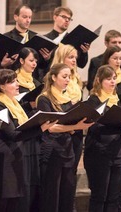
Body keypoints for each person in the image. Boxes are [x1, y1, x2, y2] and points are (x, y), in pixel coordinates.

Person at [0, 69, 54, 212]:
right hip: (2, 162)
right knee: (2, 205)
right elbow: (13, 134)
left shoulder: (15, 104)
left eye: (16, 80)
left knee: (14, 204)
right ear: (1, 86)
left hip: (14, 158)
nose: (17, 84)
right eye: (12, 82)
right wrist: (40, 128)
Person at [36, 63, 93, 212]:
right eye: (64, 76)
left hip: (67, 149)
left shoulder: (66, 97)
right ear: (53, 77)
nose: (68, 79)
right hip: (52, 150)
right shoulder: (44, 99)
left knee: (67, 193)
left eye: (69, 76)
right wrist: (75, 127)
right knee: (51, 195)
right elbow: (51, 128)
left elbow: (68, 121)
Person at [84, 65, 121, 212]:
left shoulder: (116, 100)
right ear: (99, 81)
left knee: (113, 197)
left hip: (117, 152)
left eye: (114, 78)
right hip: (98, 153)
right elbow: (94, 127)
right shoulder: (93, 100)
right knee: (99, 196)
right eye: (108, 79)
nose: (113, 82)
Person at [48, 44, 84, 210]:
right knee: (57, 182)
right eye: (70, 57)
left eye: (75, 57)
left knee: (70, 175)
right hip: (59, 136)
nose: (74, 61)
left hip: (75, 132)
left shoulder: (75, 80)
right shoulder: (55, 87)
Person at [15, 47, 41, 211]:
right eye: (31, 60)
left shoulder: (37, 84)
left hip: (36, 133)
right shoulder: (14, 82)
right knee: (24, 180)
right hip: (22, 134)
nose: (34, 63)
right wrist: (28, 105)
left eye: (36, 61)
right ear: (22, 61)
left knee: (35, 179)